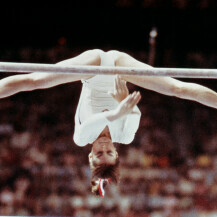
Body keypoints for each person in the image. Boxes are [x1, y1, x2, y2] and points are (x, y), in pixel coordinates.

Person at [1, 49, 217, 196]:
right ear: (117, 152)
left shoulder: (81, 138)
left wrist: (119, 110)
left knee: (34, 80)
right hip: (120, 68)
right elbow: (134, 114)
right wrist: (124, 103)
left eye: (98, 154)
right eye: (109, 153)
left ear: (90, 154)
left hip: (92, 69)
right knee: (177, 89)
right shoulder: (125, 135)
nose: (104, 148)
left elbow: (98, 119)